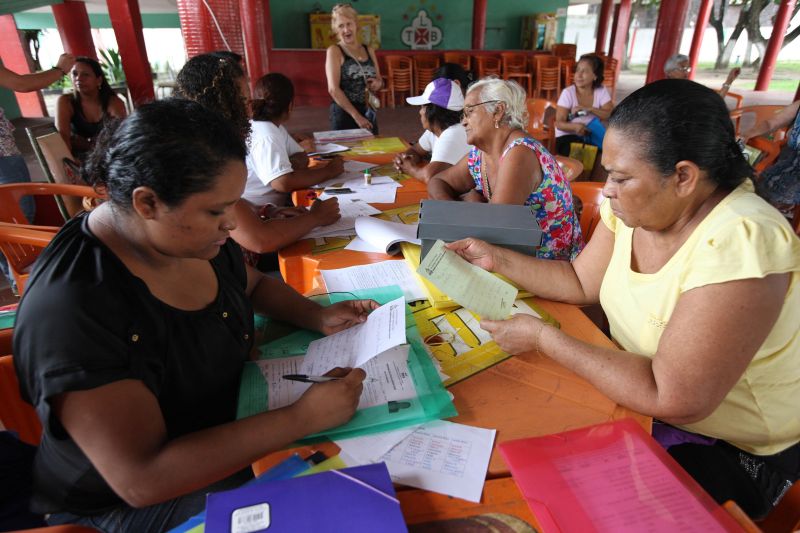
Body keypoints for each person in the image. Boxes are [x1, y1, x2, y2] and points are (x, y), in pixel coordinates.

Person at [14, 99, 376, 532]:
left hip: (230, 418)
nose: (232, 225)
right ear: (147, 202)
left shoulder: (180, 236)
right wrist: (301, 418)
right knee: (345, 493)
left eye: (233, 204)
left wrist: (315, 316)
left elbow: (253, 285)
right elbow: (142, 478)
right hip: (125, 505)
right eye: (215, 211)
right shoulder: (75, 312)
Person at [447, 79, 800, 519]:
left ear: (684, 177)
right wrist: (495, 258)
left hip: (734, 447)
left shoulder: (742, 241)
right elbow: (579, 281)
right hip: (639, 402)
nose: (606, 189)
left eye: (620, 177)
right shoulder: (640, 209)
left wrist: (543, 338)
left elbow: (673, 395)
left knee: (557, 506)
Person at [176, 54, 341, 267]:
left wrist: (265, 212)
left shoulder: (220, 151)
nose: (250, 110)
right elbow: (260, 240)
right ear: (223, 108)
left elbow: (238, 207)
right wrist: (315, 217)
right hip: (247, 259)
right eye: (244, 100)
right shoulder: (207, 166)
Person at [427, 78, 583, 261]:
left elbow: (494, 228)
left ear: (497, 111)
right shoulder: (480, 155)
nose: (464, 122)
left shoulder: (520, 152)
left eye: (469, 111)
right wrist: (458, 208)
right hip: (510, 257)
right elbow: (437, 182)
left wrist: (467, 207)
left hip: (548, 266)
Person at [0, 53, 75, 291]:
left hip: (4, 150)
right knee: (21, 215)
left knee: (17, 217)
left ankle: (20, 281)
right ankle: (24, 282)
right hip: (3, 154)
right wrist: (60, 69)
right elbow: (22, 84)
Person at [246, 73, 344, 206]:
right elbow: (283, 183)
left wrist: (290, 166)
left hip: (274, 204)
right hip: (260, 210)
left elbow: (301, 155)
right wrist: (329, 171)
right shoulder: (267, 135)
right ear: (290, 106)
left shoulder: (274, 128)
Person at [393, 78, 470, 183]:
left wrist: (409, 168)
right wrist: (405, 159)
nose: (420, 112)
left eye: (422, 107)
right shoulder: (435, 131)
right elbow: (416, 150)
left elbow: (429, 177)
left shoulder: (454, 133)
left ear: (433, 112)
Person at [56, 56, 127, 160]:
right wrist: (69, 162)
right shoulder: (65, 102)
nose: (78, 78)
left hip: (108, 157)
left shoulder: (113, 102)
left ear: (98, 80)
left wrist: (88, 145)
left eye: (85, 75)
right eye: (75, 74)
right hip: (78, 159)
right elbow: (63, 137)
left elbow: (121, 138)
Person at [325, 3, 382, 132]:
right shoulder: (335, 51)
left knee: (373, 150)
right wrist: (357, 116)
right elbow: (333, 89)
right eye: (341, 26)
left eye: (349, 24)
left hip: (368, 111)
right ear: (336, 29)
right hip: (344, 113)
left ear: (356, 24)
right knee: (347, 152)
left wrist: (378, 84)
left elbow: (380, 79)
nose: (346, 30)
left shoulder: (369, 49)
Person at [741, 100, 800, 213]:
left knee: (769, 196)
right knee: (752, 187)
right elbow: (771, 123)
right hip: (790, 161)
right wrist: (747, 134)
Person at [554, 53, 613, 157]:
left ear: (595, 76)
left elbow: (610, 114)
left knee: (606, 157)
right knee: (584, 155)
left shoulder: (601, 91)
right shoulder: (568, 93)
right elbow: (559, 123)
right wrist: (575, 127)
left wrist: (589, 109)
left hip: (591, 134)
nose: (578, 75)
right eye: (577, 70)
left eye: (584, 71)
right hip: (568, 136)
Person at [664, 53, 741, 98]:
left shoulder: (690, 87)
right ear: (670, 71)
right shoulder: (664, 90)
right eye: (683, 68)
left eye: (688, 69)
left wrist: (729, 80)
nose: (686, 73)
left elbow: (716, 100)